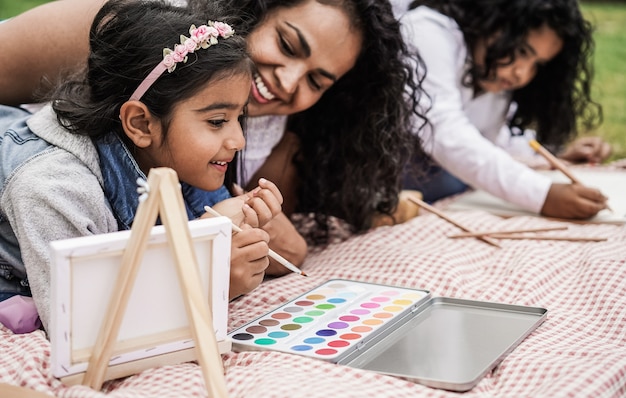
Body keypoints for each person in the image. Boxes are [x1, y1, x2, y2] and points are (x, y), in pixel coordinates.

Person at [0, 0, 429, 242]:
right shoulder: (127, 32)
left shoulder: (270, 132)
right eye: (287, 43)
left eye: (317, 81)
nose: (288, 81)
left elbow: (278, 239)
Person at [0, 0, 305, 331]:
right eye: (217, 121)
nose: (239, 141)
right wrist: (208, 280)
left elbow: (226, 240)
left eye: (238, 117)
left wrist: (240, 230)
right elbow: (80, 329)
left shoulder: (179, 160)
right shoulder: (53, 189)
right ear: (141, 124)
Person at [394, 0, 612, 219]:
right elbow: (444, 133)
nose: (522, 73)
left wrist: (553, 154)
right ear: (492, 20)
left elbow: (490, 143)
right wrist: (541, 195)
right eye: (522, 51)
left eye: (538, 64)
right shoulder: (428, 31)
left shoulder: (492, 71)